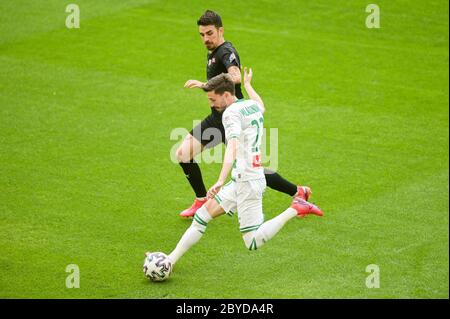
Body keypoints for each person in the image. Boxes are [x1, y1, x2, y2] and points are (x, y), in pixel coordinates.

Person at [158, 70, 323, 267]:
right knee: (202, 216)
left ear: (226, 95)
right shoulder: (250, 105)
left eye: (212, 99)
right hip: (242, 178)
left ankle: (295, 208)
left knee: (251, 241)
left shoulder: (230, 114)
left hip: (248, 182)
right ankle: (170, 260)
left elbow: (233, 147)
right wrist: (248, 85)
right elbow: (261, 105)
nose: (211, 105)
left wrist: (220, 180)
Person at [178, 10, 309, 218]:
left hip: (234, 118)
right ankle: (202, 201)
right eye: (202, 35)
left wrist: (205, 84)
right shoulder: (213, 52)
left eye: (209, 33)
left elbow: (235, 76)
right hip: (217, 118)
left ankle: (299, 192)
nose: (205, 39)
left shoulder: (225, 51)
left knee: (251, 170)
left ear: (221, 30)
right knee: (183, 154)